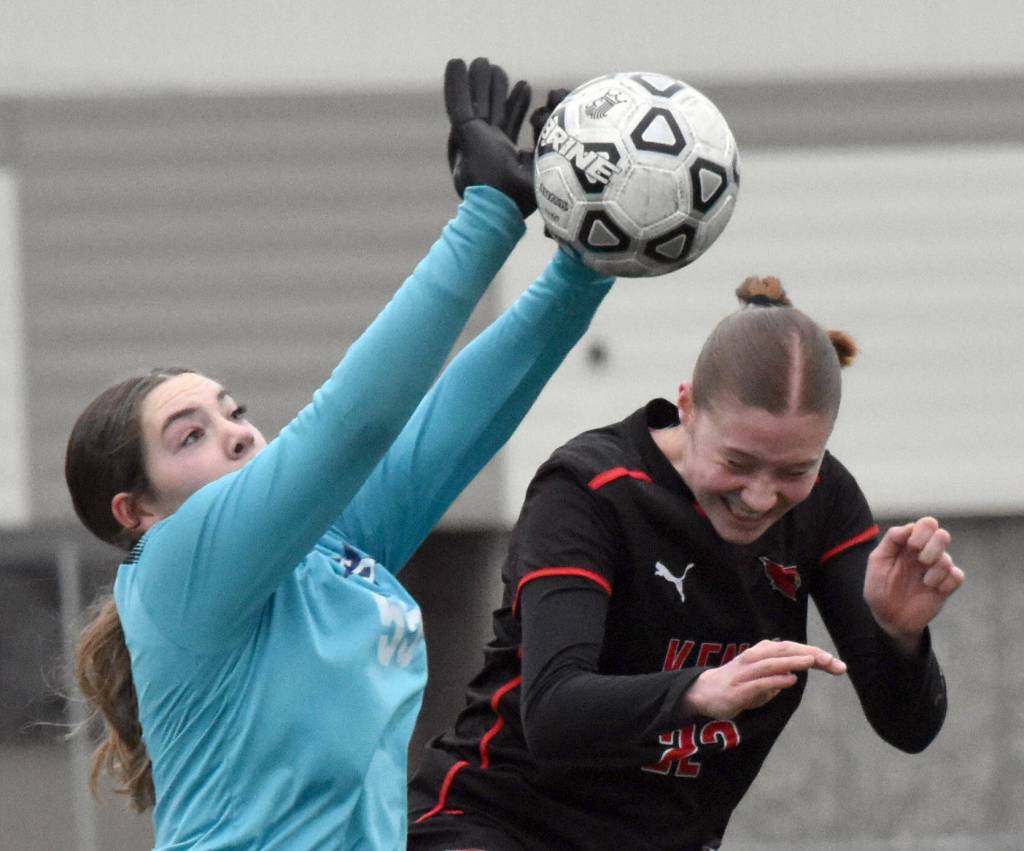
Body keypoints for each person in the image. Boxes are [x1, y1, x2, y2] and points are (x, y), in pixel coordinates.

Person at [66, 57, 616, 850]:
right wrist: (487, 216)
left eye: (233, 412)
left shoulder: (326, 554)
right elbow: (351, 424)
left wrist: (582, 260)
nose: (236, 432)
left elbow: (454, 425)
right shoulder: (176, 567)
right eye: (189, 435)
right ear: (138, 511)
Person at [407, 275, 964, 851]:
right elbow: (552, 711)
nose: (759, 496)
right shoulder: (589, 489)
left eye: (794, 471)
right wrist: (699, 692)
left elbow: (910, 730)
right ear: (687, 405)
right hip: (498, 825)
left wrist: (902, 635)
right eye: (737, 461)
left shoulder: (828, 500)